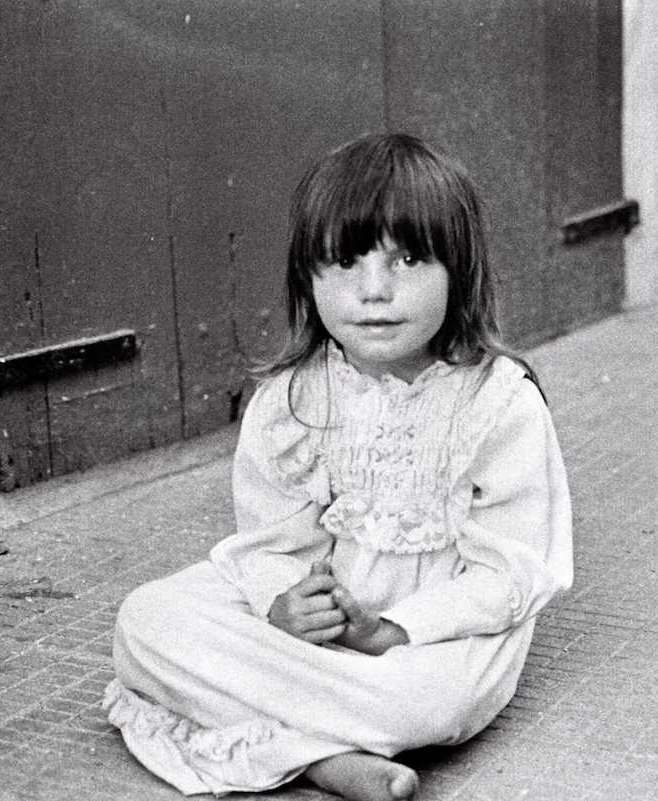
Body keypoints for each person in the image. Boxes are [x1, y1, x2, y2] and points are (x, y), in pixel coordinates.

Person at [104, 133, 573, 801]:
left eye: (409, 258)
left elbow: (517, 569)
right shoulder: (292, 399)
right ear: (308, 278)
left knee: (431, 703)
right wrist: (283, 604)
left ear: (460, 270)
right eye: (345, 262)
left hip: (428, 638)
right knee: (144, 621)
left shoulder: (497, 401)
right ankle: (329, 757)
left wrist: (392, 630)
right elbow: (271, 542)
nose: (374, 291)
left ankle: (294, 735)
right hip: (314, 635)